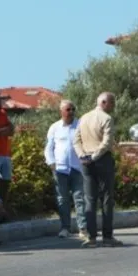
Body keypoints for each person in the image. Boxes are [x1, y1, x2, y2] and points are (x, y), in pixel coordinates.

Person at [73, 91, 121, 248]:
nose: (113, 106)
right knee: (106, 198)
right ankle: (107, 237)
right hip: (102, 160)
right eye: (112, 102)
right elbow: (106, 143)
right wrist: (94, 157)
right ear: (104, 103)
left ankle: (91, 237)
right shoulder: (107, 118)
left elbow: (76, 140)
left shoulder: (84, 118)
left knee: (90, 199)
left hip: (85, 161)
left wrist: (82, 156)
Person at [44, 99, 86, 238]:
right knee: (62, 199)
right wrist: (51, 163)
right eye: (68, 109)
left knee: (79, 198)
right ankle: (65, 228)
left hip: (77, 168)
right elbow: (49, 148)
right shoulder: (54, 127)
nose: (71, 112)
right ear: (61, 111)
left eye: (73, 109)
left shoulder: (80, 125)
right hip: (60, 169)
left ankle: (83, 228)